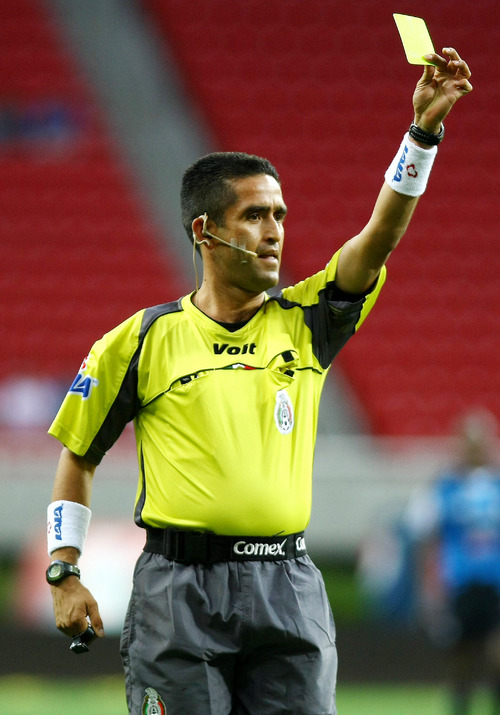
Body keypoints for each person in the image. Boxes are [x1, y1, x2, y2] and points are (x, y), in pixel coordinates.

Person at [45, 48, 472, 714]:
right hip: (177, 591)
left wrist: (423, 135)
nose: (275, 232)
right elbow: (79, 454)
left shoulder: (309, 320)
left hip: (287, 585)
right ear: (205, 230)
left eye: (280, 215)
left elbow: (380, 235)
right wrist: (64, 570)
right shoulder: (139, 340)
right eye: (254, 215)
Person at [406, 410, 500, 715]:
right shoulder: (444, 487)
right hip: (460, 585)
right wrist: (427, 589)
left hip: (496, 584)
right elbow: (423, 535)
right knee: (462, 660)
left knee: (496, 656)